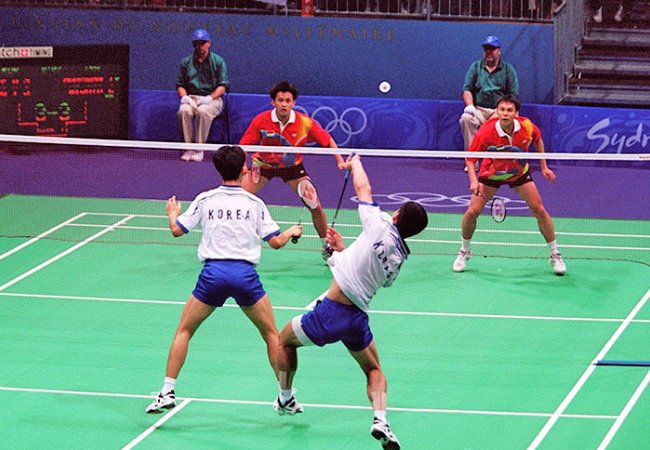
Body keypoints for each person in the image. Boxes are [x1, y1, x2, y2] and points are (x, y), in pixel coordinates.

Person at [273, 154, 429, 450]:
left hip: (331, 312)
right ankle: (381, 420)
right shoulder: (399, 258)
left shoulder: (380, 223)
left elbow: (363, 191)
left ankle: (285, 399)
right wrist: (341, 252)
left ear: (395, 216)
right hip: (357, 319)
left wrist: (355, 163)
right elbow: (366, 275)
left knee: (283, 340)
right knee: (374, 370)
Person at [145, 145, 302, 414]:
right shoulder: (254, 203)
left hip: (212, 276)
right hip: (245, 277)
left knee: (184, 331)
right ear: (244, 170)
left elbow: (176, 230)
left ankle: (166, 392)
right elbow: (275, 242)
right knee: (271, 335)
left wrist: (172, 213)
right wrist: (291, 231)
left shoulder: (205, 199)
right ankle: (285, 397)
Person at [453, 94, 567, 276]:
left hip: (518, 173)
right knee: (472, 212)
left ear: (516, 113)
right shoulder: (486, 131)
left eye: (509, 110)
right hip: (491, 174)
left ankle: (555, 254)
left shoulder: (526, 126)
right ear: (497, 112)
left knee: (539, 209)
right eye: (502, 110)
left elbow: (538, 139)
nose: (505, 114)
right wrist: (473, 181)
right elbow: (470, 157)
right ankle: (464, 250)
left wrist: (544, 166)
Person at [239, 81, 344, 260]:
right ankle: (237, 241)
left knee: (315, 205)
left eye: (288, 100)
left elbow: (327, 140)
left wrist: (340, 161)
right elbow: (243, 145)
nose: (284, 104)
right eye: (280, 100)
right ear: (273, 102)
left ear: (294, 103)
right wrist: (242, 164)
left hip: (292, 168)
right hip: (264, 165)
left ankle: (327, 246)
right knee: (238, 198)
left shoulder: (304, 122)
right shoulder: (261, 120)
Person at [176, 28, 229, 162]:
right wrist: (184, 97)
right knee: (183, 111)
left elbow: (222, 87)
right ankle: (188, 148)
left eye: (203, 43)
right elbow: (180, 84)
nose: (200, 46)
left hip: (213, 99)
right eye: (197, 43)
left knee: (203, 112)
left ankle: (199, 149)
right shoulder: (186, 62)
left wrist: (210, 98)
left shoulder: (218, 61)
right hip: (192, 97)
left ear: (209, 43)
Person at [459, 35, 519, 152]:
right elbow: (467, 89)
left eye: (492, 49)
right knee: (465, 118)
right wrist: (470, 106)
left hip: (499, 111)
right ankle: (472, 158)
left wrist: (509, 110)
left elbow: (513, 94)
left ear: (499, 51)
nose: (489, 52)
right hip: (479, 110)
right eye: (486, 49)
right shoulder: (476, 67)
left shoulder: (508, 69)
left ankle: (496, 161)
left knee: (505, 119)